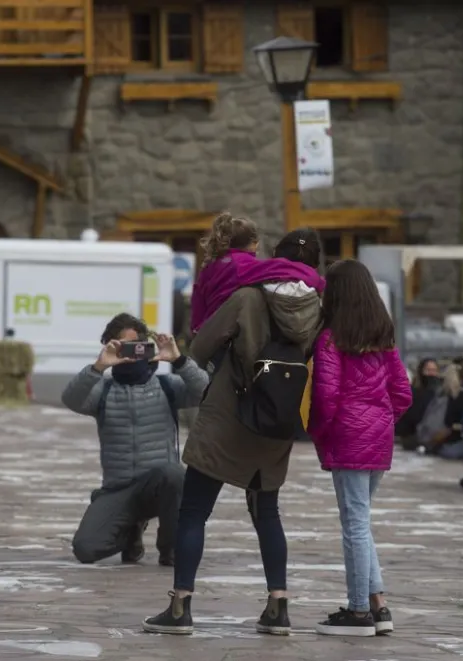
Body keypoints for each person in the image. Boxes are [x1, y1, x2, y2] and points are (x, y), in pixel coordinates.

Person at [143, 228, 323, 637]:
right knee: (267, 514)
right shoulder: (319, 308)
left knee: (194, 512)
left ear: (275, 257)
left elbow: (201, 348)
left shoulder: (248, 297)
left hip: (228, 416)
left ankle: (180, 607)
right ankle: (278, 606)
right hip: (275, 421)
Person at [308, 259, 412, 637]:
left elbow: (326, 396)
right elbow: (402, 393)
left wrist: (319, 432)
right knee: (360, 521)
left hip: (347, 436)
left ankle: (357, 612)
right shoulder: (383, 336)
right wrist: (380, 421)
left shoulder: (331, 338)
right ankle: (378, 605)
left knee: (353, 525)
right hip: (378, 436)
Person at [62, 313, 208, 566]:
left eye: (136, 345)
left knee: (175, 474)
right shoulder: (103, 391)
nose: (131, 353)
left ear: (146, 346)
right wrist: (98, 367)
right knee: (85, 549)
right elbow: (71, 399)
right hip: (117, 490)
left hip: (157, 487)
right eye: (124, 346)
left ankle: (171, 548)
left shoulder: (167, 386)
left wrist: (179, 360)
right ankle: (130, 530)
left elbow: (207, 392)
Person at [189, 212, 325, 334]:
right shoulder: (244, 265)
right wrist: (319, 282)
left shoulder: (210, 266)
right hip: (226, 335)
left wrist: (197, 331)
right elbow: (286, 269)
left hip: (207, 334)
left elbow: (197, 300)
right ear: (254, 244)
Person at [395, 357, 439, 443]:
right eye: (428, 370)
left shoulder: (440, 392)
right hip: (410, 434)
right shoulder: (412, 392)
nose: (431, 373)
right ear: (421, 371)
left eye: (434, 370)